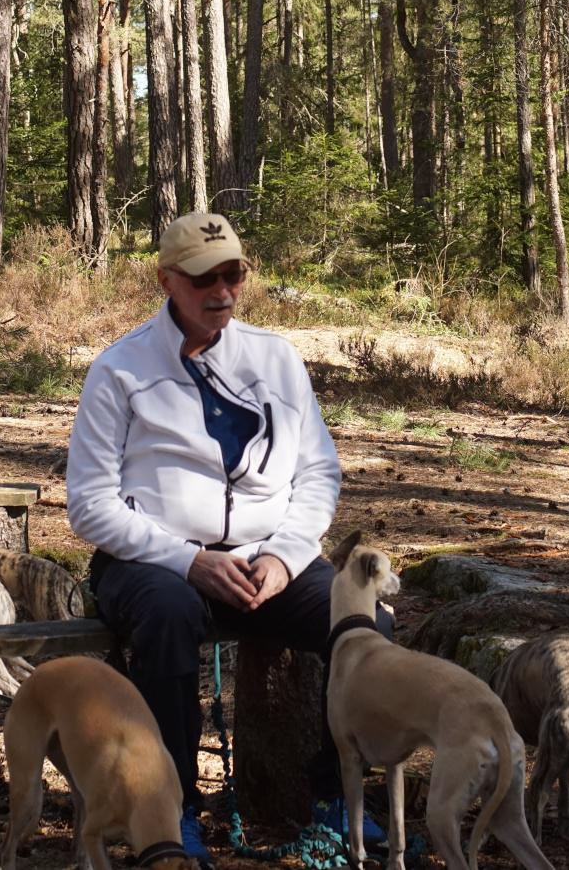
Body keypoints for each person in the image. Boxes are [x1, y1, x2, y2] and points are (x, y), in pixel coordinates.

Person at [66, 212, 391, 866]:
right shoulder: (120, 370)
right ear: (166, 280)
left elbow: (318, 472)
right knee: (166, 614)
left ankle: (339, 800)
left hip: (266, 558)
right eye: (203, 278)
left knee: (364, 621)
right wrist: (189, 562)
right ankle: (170, 811)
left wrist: (284, 556)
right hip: (151, 561)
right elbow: (89, 504)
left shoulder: (274, 358)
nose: (222, 291)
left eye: (234, 274)